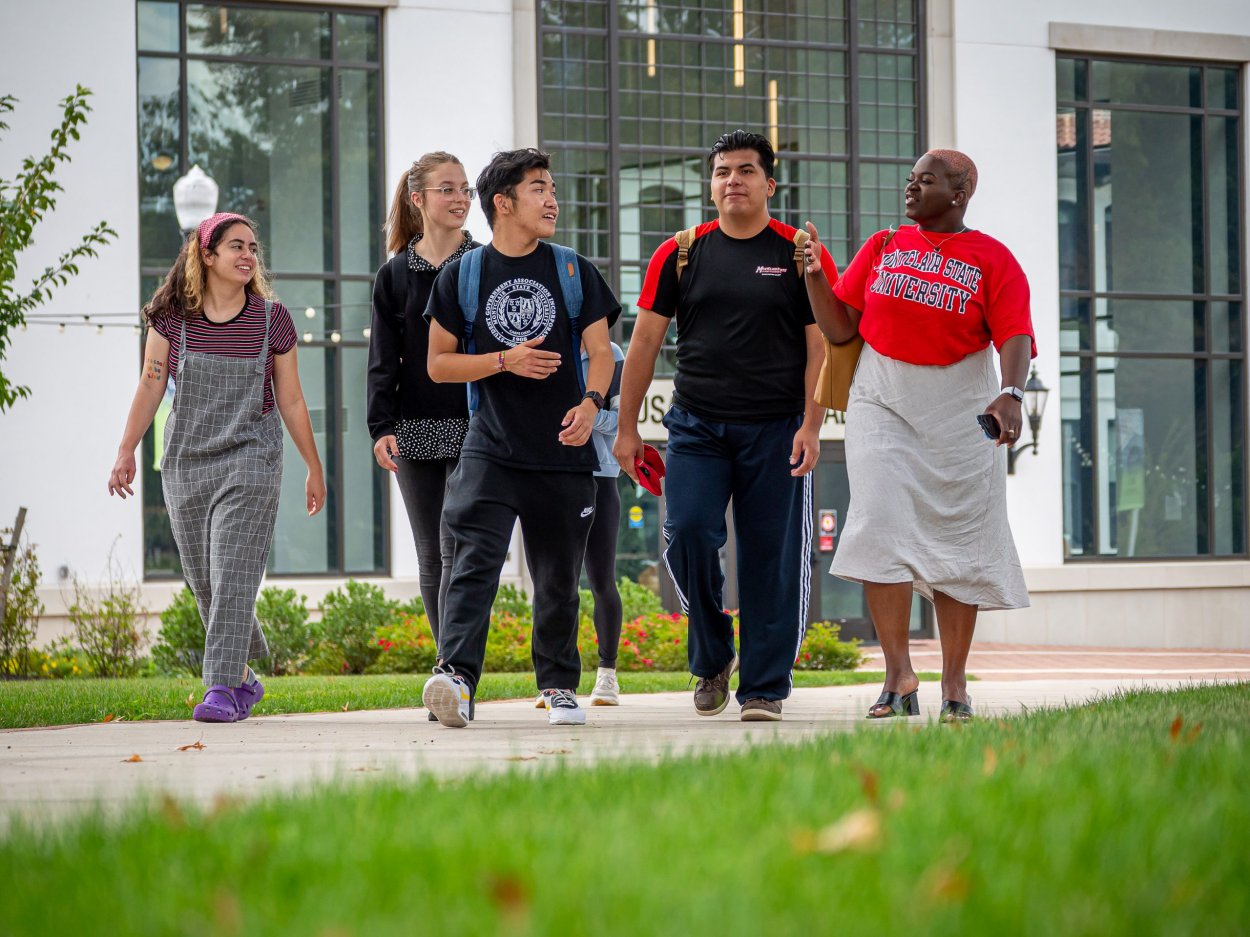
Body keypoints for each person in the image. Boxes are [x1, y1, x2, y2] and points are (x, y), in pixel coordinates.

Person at [803, 148, 1034, 722]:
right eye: (910, 179)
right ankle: (898, 676)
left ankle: (954, 684)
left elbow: (1015, 334)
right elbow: (840, 327)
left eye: (926, 180)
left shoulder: (993, 258)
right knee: (879, 525)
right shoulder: (884, 246)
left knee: (959, 540)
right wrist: (815, 277)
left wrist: (1012, 392)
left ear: (959, 192)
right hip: (883, 397)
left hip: (962, 405)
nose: (911, 187)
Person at [614, 130, 833, 722]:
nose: (732, 180)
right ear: (711, 185)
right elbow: (644, 343)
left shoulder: (800, 253)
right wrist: (627, 429)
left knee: (770, 559)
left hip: (777, 429)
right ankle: (713, 657)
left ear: (770, 183)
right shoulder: (679, 252)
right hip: (697, 426)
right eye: (721, 172)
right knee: (687, 533)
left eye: (745, 170)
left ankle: (763, 688)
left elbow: (822, 348)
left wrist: (812, 426)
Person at [421, 148, 620, 728]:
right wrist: (504, 360)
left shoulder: (574, 271)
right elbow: (438, 364)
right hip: (491, 448)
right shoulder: (463, 275)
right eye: (539, 189)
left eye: (551, 188)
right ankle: (456, 680)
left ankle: (559, 686)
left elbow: (602, 354)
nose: (552, 199)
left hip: (563, 450)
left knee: (558, 578)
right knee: (473, 567)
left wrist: (591, 404)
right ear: (503, 203)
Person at [108, 213, 325, 722]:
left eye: (252, 248)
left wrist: (313, 466)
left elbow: (292, 399)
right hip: (186, 462)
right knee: (206, 580)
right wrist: (125, 450)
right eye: (236, 246)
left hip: (252, 458)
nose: (248, 255)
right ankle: (244, 678)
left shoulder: (272, 320)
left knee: (232, 571)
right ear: (206, 256)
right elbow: (150, 384)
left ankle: (221, 690)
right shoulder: (171, 319)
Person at [368, 152, 477, 647]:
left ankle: (455, 666)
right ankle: (445, 665)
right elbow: (382, 360)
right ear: (418, 198)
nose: (461, 199)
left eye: (465, 189)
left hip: (476, 424)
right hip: (412, 425)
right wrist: (380, 427)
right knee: (430, 554)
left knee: (457, 548)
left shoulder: (484, 264)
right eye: (447, 189)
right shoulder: (393, 276)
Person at [534, 338, 627, 709]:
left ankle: (607, 673)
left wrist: (583, 416)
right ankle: (554, 682)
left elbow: (620, 421)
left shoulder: (613, 356)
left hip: (599, 475)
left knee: (602, 579)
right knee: (554, 581)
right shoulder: (546, 347)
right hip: (550, 474)